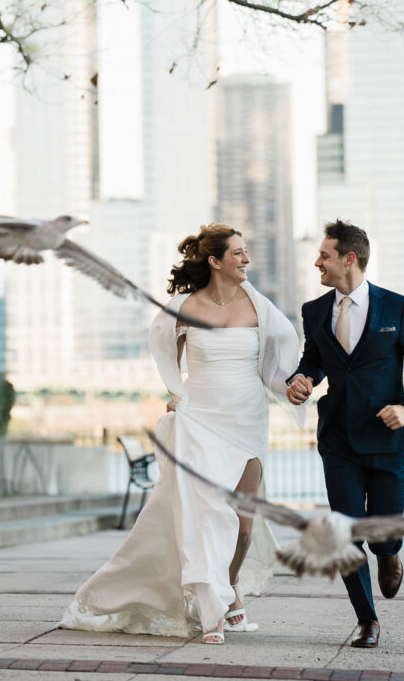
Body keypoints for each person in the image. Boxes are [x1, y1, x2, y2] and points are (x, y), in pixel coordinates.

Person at [60, 223, 305, 644]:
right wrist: (177, 393)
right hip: (201, 421)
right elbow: (165, 353)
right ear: (215, 261)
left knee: (243, 526)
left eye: (246, 252)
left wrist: (292, 388)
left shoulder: (259, 306)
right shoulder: (182, 307)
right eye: (239, 253)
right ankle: (211, 614)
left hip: (247, 420)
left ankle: (229, 594)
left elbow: (272, 369)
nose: (247, 260)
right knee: (206, 516)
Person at [286, 219, 404, 648]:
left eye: (324, 255)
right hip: (339, 440)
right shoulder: (314, 311)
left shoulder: (397, 307)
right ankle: (366, 619)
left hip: (389, 441)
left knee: (381, 534)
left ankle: (389, 556)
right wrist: (301, 380)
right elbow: (312, 362)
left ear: (349, 258)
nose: (317, 262)